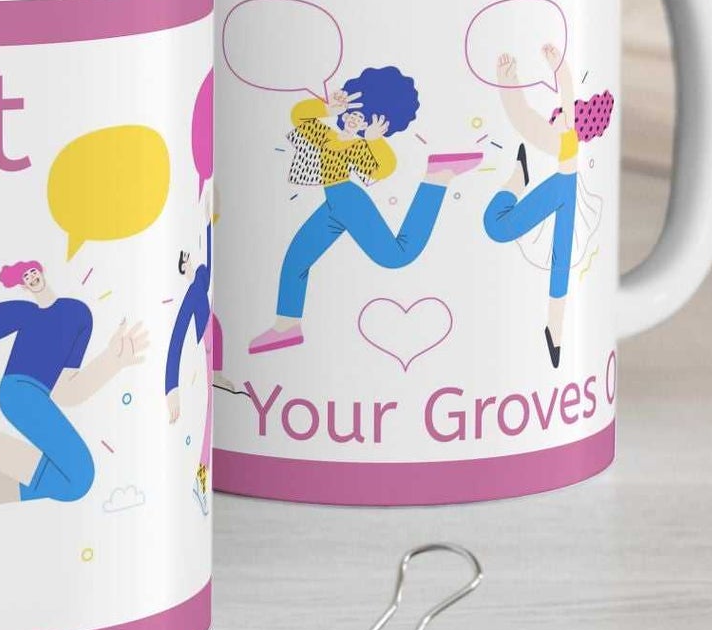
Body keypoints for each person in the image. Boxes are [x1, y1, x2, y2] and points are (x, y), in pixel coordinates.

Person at [0, 237, 146, 539]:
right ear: (21, 284)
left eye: (34, 272)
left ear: (42, 272)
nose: (32, 278)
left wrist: (112, 361)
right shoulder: (21, 312)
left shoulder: (78, 314)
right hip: (17, 392)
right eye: (25, 276)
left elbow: (67, 391)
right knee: (78, 475)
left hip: (38, 395)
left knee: (74, 481)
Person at [253, 65, 458, 355]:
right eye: (352, 112)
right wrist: (329, 107)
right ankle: (287, 327)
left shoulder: (361, 148)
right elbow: (299, 116)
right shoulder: (325, 136)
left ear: (378, 123)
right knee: (297, 257)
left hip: (349, 200)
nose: (352, 120)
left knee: (396, 255)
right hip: (334, 203)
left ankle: (437, 179)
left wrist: (374, 139)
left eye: (361, 118)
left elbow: (385, 168)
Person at [481, 43, 613, 368]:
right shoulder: (561, 140)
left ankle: (555, 333)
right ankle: (517, 179)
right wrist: (509, 85)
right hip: (560, 191)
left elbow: (533, 114)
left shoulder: (566, 136)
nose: (552, 121)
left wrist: (560, 70)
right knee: (499, 228)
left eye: (559, 118)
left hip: (564, 193)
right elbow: (523, 119)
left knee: (560, 268)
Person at [164, 222, 212, 422]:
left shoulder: (201, 280)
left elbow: (208, 262)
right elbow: (177, 336)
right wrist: (171, 387)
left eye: (188, 259)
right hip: (202, 350)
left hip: (208, 347)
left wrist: (209, 225)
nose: (188, 262)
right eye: (185, 262)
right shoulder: (193, 292)